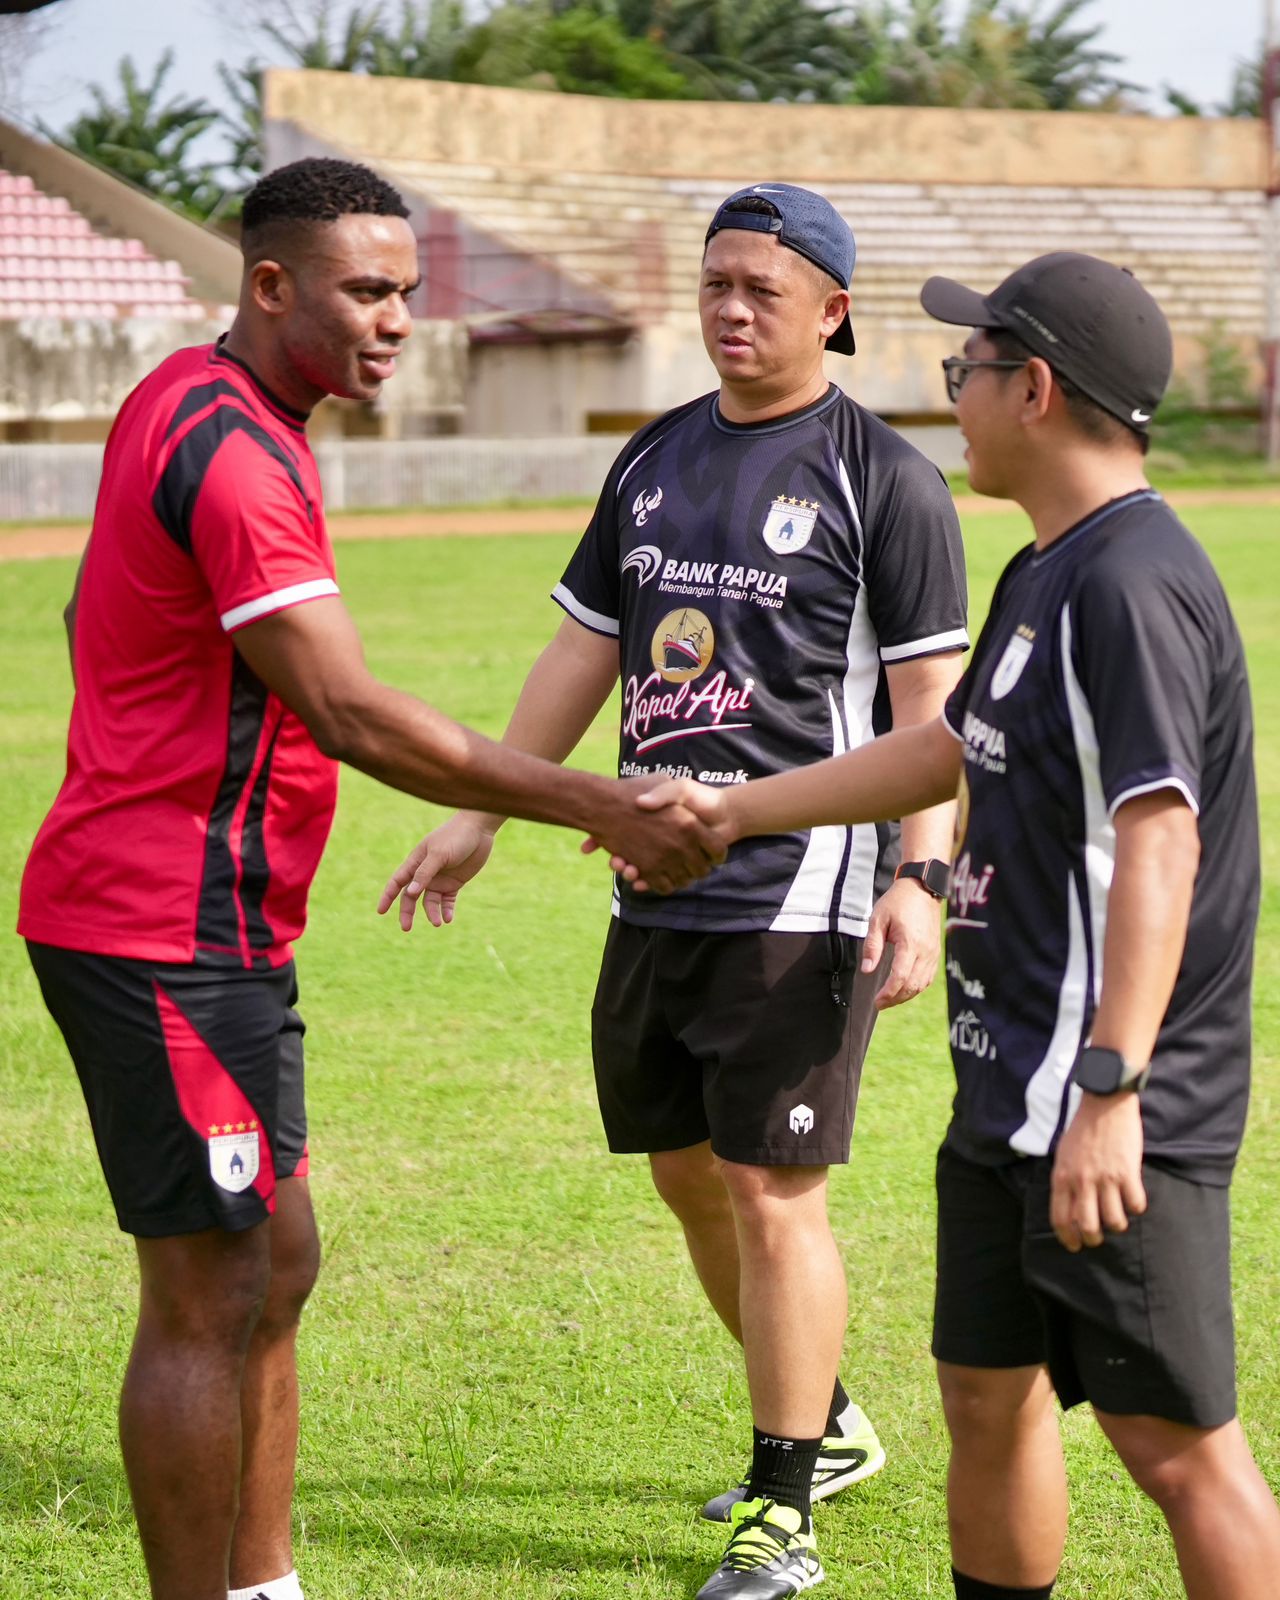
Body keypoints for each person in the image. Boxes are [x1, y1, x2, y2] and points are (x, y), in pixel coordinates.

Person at [17, 157, 721, 1600]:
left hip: (213, 921)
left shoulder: (201, 399)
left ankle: (265, 1582)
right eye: (366, 290)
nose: (397, 319)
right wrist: (598, 800)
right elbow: (350, 710)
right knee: (211, 1289)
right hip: (157, 929)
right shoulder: (233, 449)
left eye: (408, 290)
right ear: (270, 284)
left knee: (274, 1261)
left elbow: (102, 603)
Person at [621, 251, 1280, 1600]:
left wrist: (1112, 1086)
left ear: (1034, 388)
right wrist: (740, 811)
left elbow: (1163, 836)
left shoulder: (1129, 584)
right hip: (1007, 1090)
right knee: (986, 1399)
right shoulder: (1049, 570)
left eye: (967, 371)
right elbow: (944, 756)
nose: (953, 397)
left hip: (1104, 1106)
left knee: (1175, 1451)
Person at [381, 183, 969, 1599]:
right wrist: (484, 815)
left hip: (804, 885)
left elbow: (929, 707)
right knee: (687, 1171)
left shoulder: (885, 478)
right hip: (653, 883)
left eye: (764, 287)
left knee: (774, 1188)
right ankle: (821, 1423)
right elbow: (589, 655)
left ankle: (784, 1511)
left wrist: (924, 880)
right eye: (715, 282)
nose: (731, 307)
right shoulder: (649, 460)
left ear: (832, 306)